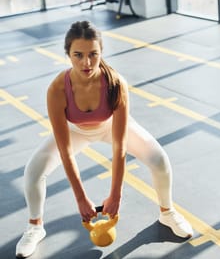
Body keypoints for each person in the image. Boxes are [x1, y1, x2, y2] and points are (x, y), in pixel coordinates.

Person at [16, 20, 193, 258]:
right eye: (78, 55)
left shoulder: (116, 83)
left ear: (101, 52)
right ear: (68, 54)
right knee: (33, 171)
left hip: (110, 126)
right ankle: (35, 227)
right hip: (75, 130)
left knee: (159, 159)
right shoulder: (57, 89)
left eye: (93, 54)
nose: (86, 62)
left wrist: (115, 194)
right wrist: (80, 198)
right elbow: (65, 150)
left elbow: (120, 146)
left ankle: (167, 212)